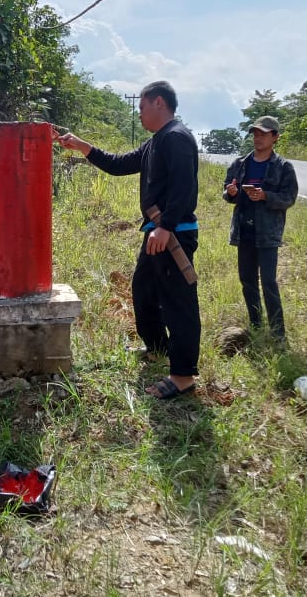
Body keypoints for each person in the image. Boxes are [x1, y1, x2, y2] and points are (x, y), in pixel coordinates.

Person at [55, 81, 201, 400]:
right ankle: (157, 347)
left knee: (178, 301)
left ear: (159, 103)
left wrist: (167, 227)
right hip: (155, 231)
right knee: (144, 290)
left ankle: (182, 375)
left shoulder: (176, 137)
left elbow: (184, 188)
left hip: (172, 233)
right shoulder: (155, 143)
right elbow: (119, 164)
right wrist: (82, 145)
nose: (139, 114)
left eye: (142, 107)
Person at [223, 116, 298, 346]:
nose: (258, 138)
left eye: (263, 134)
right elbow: (226, 193)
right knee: (247, 280)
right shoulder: (240, 164)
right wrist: (232, 193)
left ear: (275, 137)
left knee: (268, 282)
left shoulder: (283, 166)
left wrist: (265, 196)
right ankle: (256, 324)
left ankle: (278, 333)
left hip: (267, 233)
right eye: (255, 133)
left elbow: (289, 197)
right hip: (244, 230)